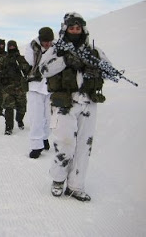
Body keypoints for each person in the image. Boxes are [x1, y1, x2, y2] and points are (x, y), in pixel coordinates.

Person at [40, 12, 110, 201]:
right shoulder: (57, 49)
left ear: (83, 29)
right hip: (64, 104)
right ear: (65, 29)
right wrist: (66, 60)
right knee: (65, 143)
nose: (75, 31)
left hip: (88, 104)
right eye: (72, 28)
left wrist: (94, 67)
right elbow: (44, 70)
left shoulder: (93, 50)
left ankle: (75, 185)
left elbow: (110, 70)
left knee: (83, 147)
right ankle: (57, 179)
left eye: (78, 28)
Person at [24, 27, 54, 158]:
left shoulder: (57, 47)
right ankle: (36, 146)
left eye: (49, 41)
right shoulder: (31, 47)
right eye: (45, 41)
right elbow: (33, 62)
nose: (47, 44)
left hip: (51, 86)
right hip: (35, 86)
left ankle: (45, 138)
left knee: (49, 117)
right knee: (36, 117)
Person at [0, 40, 30, 135]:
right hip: (8, 88)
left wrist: (21, 67)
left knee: (22, 108)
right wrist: (4, 74)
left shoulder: (21, 59)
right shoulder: (3, 59)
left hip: (20, 88)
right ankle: (8, 127)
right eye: (10, 47)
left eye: (13, 47)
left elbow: (28, 70)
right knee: (8, 108)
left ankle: (19, 120)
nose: (11, 49)